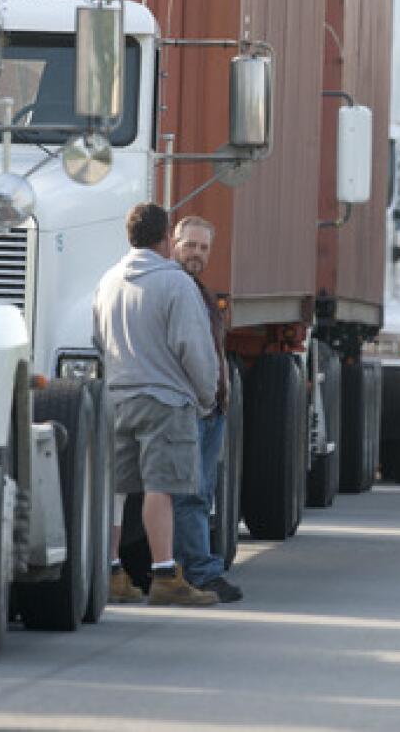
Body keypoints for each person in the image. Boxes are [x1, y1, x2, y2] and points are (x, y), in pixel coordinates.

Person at [93, 203, 219, 606]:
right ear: (166, 238)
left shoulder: (109, 280)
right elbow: (194, 349)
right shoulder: (176, 283)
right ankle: (165, 575)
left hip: (118, 396)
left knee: (116, 489)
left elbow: (97, 339)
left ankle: (112, 572)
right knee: (160, 488)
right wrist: (206, 394)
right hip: (166, 401)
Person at [171, 216, 242, 602]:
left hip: (211, 408)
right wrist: (202, 397)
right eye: (190, 245)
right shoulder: (176, 288)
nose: (196, 253)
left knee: (202, 492)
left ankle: (190, 567)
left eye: (203, 247)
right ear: (173, 244)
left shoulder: (198, 290)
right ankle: (200, 572)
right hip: (193, 407)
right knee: (191, 494)